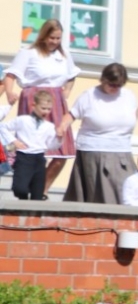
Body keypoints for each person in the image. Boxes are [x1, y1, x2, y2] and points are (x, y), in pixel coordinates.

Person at [4, 19, 81, 191]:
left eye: (58, 38)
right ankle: (27, 186)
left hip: (56, 100)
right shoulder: (29, 52)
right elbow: (11, 75)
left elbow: (72, 74)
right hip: (34, 99)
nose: (54, 42)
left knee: (61, 150)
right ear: (44, 36)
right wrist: (10, 93)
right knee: (31, 149)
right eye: (52, 38)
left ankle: (42, 189)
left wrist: (66, 91)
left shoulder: (64, 55)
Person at [59, 63, 137, 204]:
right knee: (101, 197)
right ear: (103, 80)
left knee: (126, 194)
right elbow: (71, 115)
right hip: (94, 152)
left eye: (119, 85)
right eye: (112, 84)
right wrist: (61, 128)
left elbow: (134, 114)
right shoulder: (89, 95)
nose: (115, 89)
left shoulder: (129, 96)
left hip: (122, 152)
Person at [3, 92, 61, 200]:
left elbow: (51, 146)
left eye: (49, 109)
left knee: (37, 193)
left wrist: (59, 138)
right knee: (20, 189)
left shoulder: (49, 126)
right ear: (34, 105)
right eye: (43, 108)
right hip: (24, 157)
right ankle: (23, 201)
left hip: (39, 158)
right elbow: (3, 127)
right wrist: (14, 141)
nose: (46, 112)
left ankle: (34, 213)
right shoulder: (23, 120)